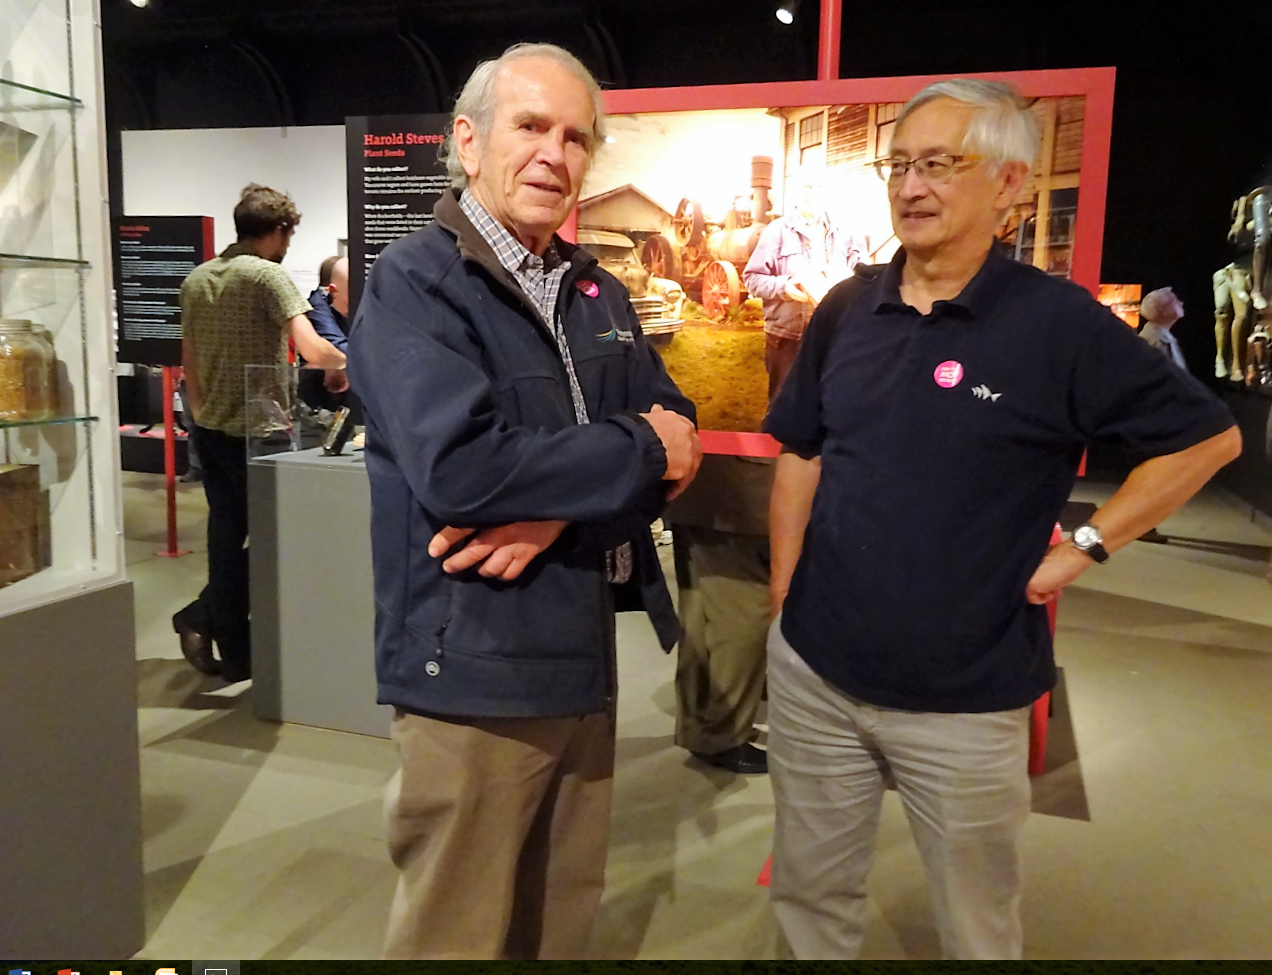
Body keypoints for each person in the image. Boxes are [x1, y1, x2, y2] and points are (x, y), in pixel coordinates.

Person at [763, 79, 1241, 960]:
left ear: (1010, 186)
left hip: (965, 698)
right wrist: (787, 584)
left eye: (940, 164)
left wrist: (1086, 546)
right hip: (816, 678)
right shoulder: (845, 309)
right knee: (809, 897)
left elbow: (1206, 440)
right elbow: (801, 446)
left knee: (977, 926)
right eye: (899, 164)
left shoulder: (1056, 323)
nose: (912, 186)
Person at [346, 43, 701, 960]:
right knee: (454, 933)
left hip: (583, 654)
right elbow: (461, 469)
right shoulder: (416, 284)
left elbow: (680, 425)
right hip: (474, 667)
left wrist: (565, 505)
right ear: (468, 141)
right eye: (531, 126)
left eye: (577, 137)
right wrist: (638, 452)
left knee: (558, 921)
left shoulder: (595, 288)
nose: (556, 153)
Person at [172, 184, 347, 682]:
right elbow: (314, 350)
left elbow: (188, 360)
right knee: (274, 535)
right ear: (278, 231)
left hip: (210, 427)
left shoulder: (198, 277)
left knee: (227, 537)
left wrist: (202, 414)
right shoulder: (268, 276)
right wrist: (349, 362)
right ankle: (204, 619)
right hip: (261, 431)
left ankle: (231, 646)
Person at [743, 179, 864, 401]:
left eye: (818, 186)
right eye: (806, 186)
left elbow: (864, 276)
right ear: (795, 192)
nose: (812, 192)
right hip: (788, 338)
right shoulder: (776, 231)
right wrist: (784, 287)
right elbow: (751, 279)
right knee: (784, 405)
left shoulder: (846, 231)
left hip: (835, 334)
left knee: (831, 403)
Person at [1138, 287, 1187, 370]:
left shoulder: (1159, 335)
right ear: (1163, 310)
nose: (1181, 303)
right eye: (1174, 302)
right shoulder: (1156, 341)